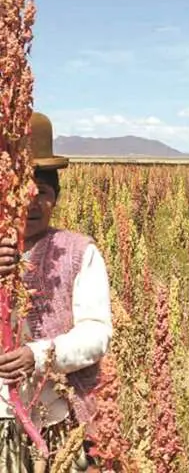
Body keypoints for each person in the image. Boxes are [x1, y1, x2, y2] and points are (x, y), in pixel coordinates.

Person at [0, 112, 112, 471]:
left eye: (42, 193)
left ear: (56, 198)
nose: (32, 203)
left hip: (57, 425)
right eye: (22, 192)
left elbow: (96, 334)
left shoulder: (79, 252)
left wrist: (39, 354)